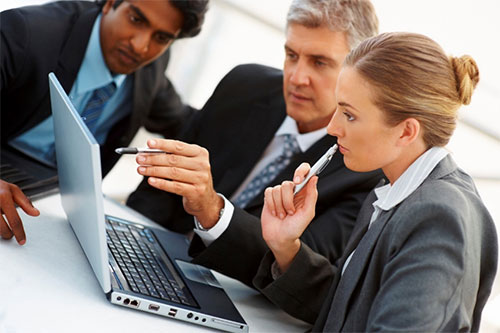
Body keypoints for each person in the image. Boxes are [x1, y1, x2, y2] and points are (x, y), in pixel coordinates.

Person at [127, 0, 383, 290]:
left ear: (359, 73)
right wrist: (132, 239)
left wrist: (213, 212)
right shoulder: (244, 84)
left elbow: (296, 263)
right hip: (152, 256)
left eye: (319, 62)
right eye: (291, 55)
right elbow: (158, 190)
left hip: (240, 299)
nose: (297, 78)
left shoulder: (364, 169)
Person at [254, 32, 498, 331]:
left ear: (406, 132)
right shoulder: (394, 189)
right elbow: (348, 309)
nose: (332, 127)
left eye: (349, 115)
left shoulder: (438, 218)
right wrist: (285, 246)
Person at [0, 0, 208, 245]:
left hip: (58, 204)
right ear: (110, 3)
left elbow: (184, 123)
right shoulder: (26, 32)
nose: (140, 46)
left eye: (162, 38)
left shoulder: (152, 67)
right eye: (136, 20)